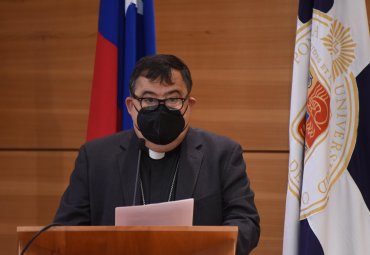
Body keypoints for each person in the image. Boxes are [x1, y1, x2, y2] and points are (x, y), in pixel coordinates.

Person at [54, 54, 260, 254]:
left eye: (173, 99)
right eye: (149, 100)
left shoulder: (221, 154)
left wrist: (201, 246)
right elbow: (64, 231)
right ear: (130, 106)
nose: (161, 109)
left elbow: (246, 224)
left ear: (189, 104)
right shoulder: (96, 157)